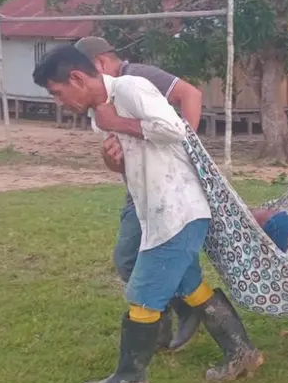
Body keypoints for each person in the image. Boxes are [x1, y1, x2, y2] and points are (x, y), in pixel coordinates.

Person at [33, 45, 264, 383]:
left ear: (77, 78)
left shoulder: (130, 88)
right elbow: (138, 162)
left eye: (57, 92)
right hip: (158, 212)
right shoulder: (100, 113)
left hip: (177, 211)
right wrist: (113, 160)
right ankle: (242, 352)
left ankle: (130, 378)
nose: (58, 101)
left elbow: (175, 130)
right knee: (192, 288)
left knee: (142, 294)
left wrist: (117, 123)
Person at [74, 36, 204, 353]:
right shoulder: (103, 100)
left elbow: (191, 94)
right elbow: (116, 161)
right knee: (135, 259)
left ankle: (174, 313)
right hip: (140, 187)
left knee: (134, 257)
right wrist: (111, 156)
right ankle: (173, 313)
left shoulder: (138, 77)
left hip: (168, 187)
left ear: (100, 64)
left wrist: (185, 149)